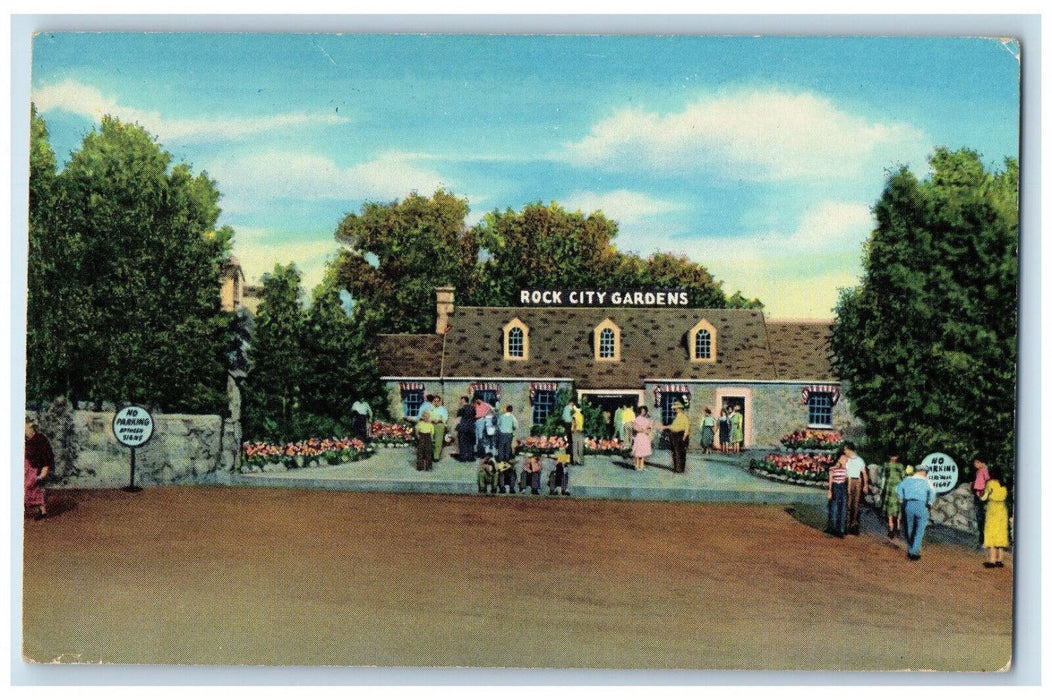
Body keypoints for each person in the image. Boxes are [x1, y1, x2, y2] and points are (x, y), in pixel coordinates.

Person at [896, 463, 936, 561]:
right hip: (922, 506)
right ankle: (914, 551)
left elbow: (898, 489)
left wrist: (901, 500)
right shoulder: (928, 482)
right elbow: (932, 493)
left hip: (908, 504)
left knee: (908, 528)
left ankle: (910, 549)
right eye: (926, 472)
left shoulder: (907, 480)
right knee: (920, 530)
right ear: (923, 472)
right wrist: (930, 503)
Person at [980, 466, 1009, 568]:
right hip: (1002, 510)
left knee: (992, 534)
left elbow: (984, 497)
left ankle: (992, 561)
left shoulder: (990, 483)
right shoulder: (1004, 484)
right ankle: (1000, 560)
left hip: (993, 510)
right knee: (1000, 535)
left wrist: (979, 495)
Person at [24, 419, 53, 520]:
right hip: (26, 467)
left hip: (36, 467)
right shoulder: (25, 439)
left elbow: (47, 455)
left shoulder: (40, 438)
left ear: (31, 427)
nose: (24, 430)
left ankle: (42, 510)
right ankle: (42, 511)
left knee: (30, 486)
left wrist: (45, 469)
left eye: (26, 428)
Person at [877, 451, 906, 539]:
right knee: (898, 509)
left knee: (890, 509)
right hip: (898, 489)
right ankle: (897, 529)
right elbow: (904, 478)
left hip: (889, 489)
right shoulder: (900, 466)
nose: (894, 458)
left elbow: (883, 478)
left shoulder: (886, 465)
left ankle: (891, 529)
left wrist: (881, 490)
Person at [843, 441, 868, 536]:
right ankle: (847, 525)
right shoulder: (846, 460)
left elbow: (864, 473)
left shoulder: (859, 460)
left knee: (856, 505)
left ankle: (854, 526)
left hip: (857, 481)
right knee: (848, 504)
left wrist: (865, 485)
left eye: (845, 449)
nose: (844, 451)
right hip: (848, 481)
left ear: (849, 449)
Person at [826, 451, 848, 538]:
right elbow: (830, 480)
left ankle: (841, 530)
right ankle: (833, 528)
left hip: (843, 487)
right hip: (835, 487)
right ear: (838, 459)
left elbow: (846, 479)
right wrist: (830, 490)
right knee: (834, 508)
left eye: (845, 459)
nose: (844, 460)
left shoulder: (846, 468)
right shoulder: (832, 468)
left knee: (843, 509)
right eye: (843, 458)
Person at [972, 458, 991, 549]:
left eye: (976, 462)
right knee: (981, 518)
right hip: (982, 496)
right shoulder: (982, 471)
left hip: (980, 496)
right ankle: (982, 539)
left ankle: (982, 540)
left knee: (980, 518)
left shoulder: (982, 471)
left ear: (981, 462)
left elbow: (982, 484)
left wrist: (979, 493)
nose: (975, 464)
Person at [667, 401, 690, 473]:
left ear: (680, 409)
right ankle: (676, 467)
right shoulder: (676, 417)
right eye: (675, 409)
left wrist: (684, 437)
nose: (675, 410)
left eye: (676, 409)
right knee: (675, 452)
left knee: (680, 453)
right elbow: (674, 426)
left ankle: (680, 468)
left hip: (680, 435)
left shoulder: (684, 417)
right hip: (674, 435)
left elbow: (687, 427)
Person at [631, 406, 653, 471]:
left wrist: (648, 430)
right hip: (639, 436)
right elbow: (635, 427)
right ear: (640, 411)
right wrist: (642, 430)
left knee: (643, 451)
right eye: (642, 411)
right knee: (638, 451)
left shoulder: (646, 419)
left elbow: (649, 428)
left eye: (644, 411)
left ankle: (642, 465)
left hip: (645, 436)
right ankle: (637, 466)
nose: (643, 412)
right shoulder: (637, 419)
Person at [454, 396, 476, 462]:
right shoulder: (472, 408)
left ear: (463, 400)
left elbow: (458, 417)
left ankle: (463, 458)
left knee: (462, 443)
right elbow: (474, 415)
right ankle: (470, 457)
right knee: (470, 443)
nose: (460, 401)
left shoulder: (462, 408)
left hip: (463, 427)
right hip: (471, 427)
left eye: (461, 400)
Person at [430, 396, 448, 463]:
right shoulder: (432, 409)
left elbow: (445, 418)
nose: (436, 402)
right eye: (435, 401)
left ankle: (436, 456)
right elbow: (429, 416)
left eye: (438, 401)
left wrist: (439, 420)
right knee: (431, 440)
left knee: (438, 441)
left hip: (440, 425)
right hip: (432, 425)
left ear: (440, 402)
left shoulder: (443, 409)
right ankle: (432, 454)